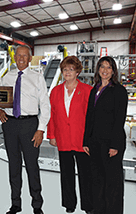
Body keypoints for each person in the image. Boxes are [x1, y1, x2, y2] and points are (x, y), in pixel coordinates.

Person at [0, 45, 50, 214]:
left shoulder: (38, 77)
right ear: (15, 57)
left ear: (30, 58)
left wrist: (41, 129)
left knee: (32, 166)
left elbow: (45, 105)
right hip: (10, 125)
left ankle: (37, 205)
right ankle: (15, 204)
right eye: (18, 55)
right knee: (14, 165)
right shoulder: (7, 77)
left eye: (24, 56)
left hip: (30, 125)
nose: (21, 58)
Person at [47, 56, 93, 214]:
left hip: (82, 140)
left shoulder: (87, 90)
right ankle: (69, 204)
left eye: (71, 69)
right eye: (65, 69)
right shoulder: (55, 91)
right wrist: (51, 135)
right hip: (63, 139)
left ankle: (88, 205)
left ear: (78, 71)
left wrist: (90, 138)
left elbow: (92, 117)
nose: (67, 72)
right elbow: (52, 115)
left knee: (85, 174)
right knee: (66, 175)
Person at [83, 56, 128, 214]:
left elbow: (119, 119)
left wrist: (114, 145)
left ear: (113, 71)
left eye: (109, 67)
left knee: (113, 182)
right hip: (95, 142)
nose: (105, 70)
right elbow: (89, 116)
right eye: (102, 66)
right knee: (97, 179)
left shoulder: (119, 91)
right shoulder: (94, 89)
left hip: (111, 143)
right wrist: (86, 140)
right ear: (98, 69)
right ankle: (99, 209)